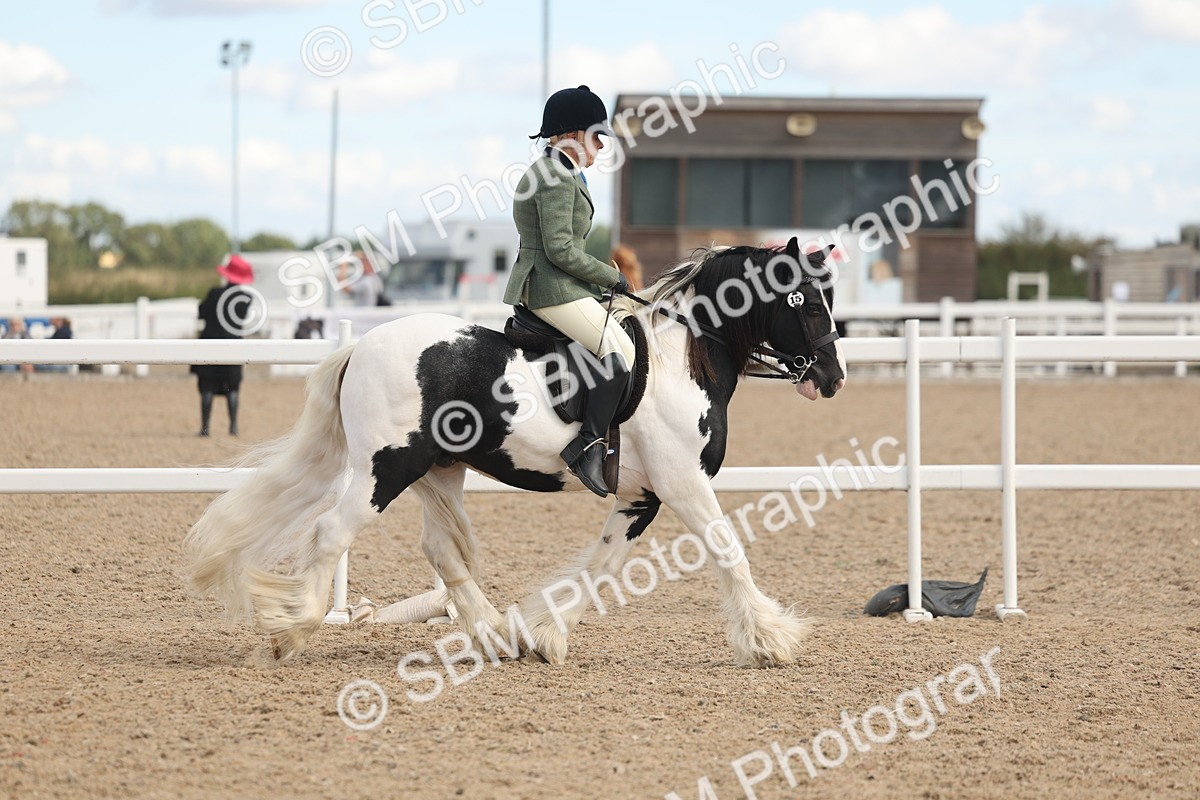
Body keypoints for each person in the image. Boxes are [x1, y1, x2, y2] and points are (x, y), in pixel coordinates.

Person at [502, 85, 634, 497]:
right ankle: (588, 445)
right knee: (619, 350)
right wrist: (611, 278)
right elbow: (561, 249)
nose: (599, 148)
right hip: (550, 286)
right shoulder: (556, 176)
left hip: (558, 281)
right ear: (573, 134)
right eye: (596, 138)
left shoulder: (559, 171)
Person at [190, 255, 254, 436]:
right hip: (233, 347)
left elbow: (201, 313)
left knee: (207, 388)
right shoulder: (246, 298)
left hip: (209, 345)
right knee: (232, 389)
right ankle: (233, 427)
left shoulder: (214, 293)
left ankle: (205, 429)